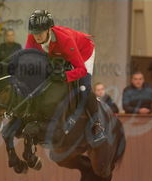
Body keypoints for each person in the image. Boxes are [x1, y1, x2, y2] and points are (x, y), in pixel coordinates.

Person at [25, 10, 105, 144]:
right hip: (59, 54)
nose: (36, 36)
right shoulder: (32, 37)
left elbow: (81, 70)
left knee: (84, 86)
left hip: (83, 52)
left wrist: (64, 75)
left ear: (49, 30)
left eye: (40, 32)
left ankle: (96, 125)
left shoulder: (65, 39)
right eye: (34, 32)